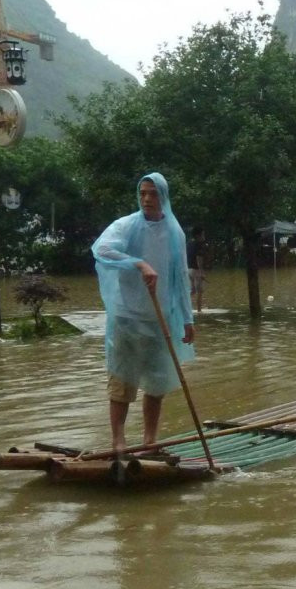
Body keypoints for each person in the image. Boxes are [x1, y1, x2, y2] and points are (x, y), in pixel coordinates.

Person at [92, 173, 196, 454]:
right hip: (128, 317)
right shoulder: (126, 226)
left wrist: (187, 319)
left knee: (157, 381)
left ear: (163, 197)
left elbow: (179, 278)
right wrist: (137, 263)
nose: (147, 199)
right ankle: (118, 441)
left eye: (153, 194)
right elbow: (101, 249)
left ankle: (150, 440)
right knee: (122, 380)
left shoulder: (175, 233)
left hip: (160, 317)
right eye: (143, 193)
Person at [187, 226, 207, 313]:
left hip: (189, 270)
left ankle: (185, 306)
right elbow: (199, 258)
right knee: (200, 292)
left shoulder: (189, 244)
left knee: (192, 291)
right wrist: (202, 273)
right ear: (198, 236)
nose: (204, 236)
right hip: (196, 270)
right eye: (203, 235)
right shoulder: (200, 245)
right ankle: (199, 312)